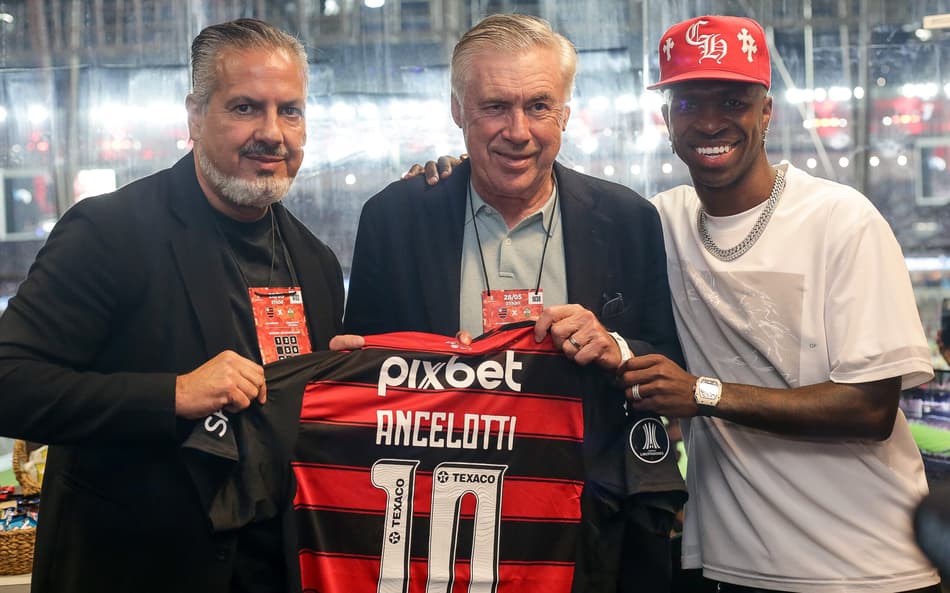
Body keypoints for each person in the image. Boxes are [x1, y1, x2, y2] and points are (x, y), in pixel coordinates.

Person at [338, 13, 686, 592]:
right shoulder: (393, 218)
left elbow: (664, 362)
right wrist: (356, 368)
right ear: (458, 111)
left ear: (566, 113)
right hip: (436, 536)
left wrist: (616, 347)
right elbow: (364, 374)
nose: (518, 130)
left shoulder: (628, 220)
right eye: (495, 106)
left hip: (584, 535)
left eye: (539, 106)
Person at [0, 18, 344, 593]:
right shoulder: (109, 232)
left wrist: (349, 378)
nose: (272, 132)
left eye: (290, 110)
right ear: (194, 115)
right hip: (133, 571)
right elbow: (8, 383)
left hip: (272, 571)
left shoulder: (317, 264)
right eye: (244, 108)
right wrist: (173, 395)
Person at [617, 15, 940, 593]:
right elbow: (555, 204)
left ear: (766, 113)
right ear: (666, 120)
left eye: (733, 101)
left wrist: (703, 394)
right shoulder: (659, 222)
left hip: (866, 567)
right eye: (689, 104)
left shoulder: (841, 221)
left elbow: (869, 408)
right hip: (730, 566)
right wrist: (439, 186)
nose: (711, 121)